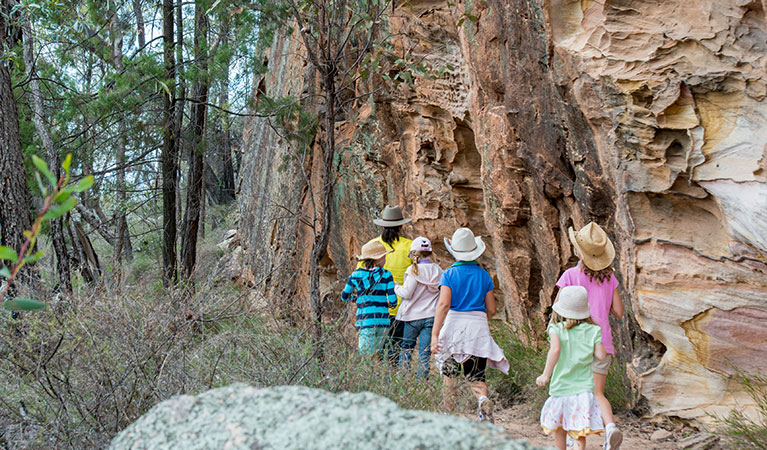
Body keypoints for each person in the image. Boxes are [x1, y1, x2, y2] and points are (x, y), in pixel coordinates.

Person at [555, 222, 624, 450]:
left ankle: (577, 440)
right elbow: (619, 312)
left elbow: (558, 307)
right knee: (597, 393)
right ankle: (611, 427)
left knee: (574, 392)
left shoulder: (570, 275)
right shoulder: (610, 279)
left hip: (576, 342)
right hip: (603, 341)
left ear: (578, 251)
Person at [431, 227, 509, 423]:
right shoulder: (484, 275)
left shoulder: (449, 274)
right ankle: (483, 401)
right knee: (477, 376)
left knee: (449, 375)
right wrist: (480, 321)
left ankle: (449, 415)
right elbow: (491, 309)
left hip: (454, 325)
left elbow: (444, 304)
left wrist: (435, 334)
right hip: (478, 326)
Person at [536, 285, 606, 450]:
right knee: (579, 429)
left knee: (560, 427)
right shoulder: (594, 330)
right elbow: (601, 356)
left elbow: (555, 350)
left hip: (561, 386)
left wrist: (545, 375)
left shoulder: (556, 329)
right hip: (584, 388)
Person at [360, 205, 413, 364]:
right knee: (395, 349)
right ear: (401, 226)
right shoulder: (410, 246)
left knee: (375, 352)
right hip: (400, 308)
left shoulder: (371, 247)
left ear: (382, 225)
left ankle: (379, 382)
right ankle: (393, 379)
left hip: (374, 309)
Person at [394, 236, 443, 377]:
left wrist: (397, 287)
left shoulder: (413, 270)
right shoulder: (438, 270)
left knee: (406, 349)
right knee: (424, 352)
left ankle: (402, 379)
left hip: (412, 317)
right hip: (431, 316)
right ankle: (421, 383)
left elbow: (407, 293)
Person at [342, 241, 397, 358]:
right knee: (378, 356)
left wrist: (356, 299)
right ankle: (379, 376)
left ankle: (367, 376)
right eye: (384, 256)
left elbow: (344, 296)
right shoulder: (387, 275)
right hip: (383, 321)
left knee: (366, 358)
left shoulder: (356, 275)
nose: (385, 258)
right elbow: (393, 301)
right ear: (379, 258)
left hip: (365, 320)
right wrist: (389, 304)